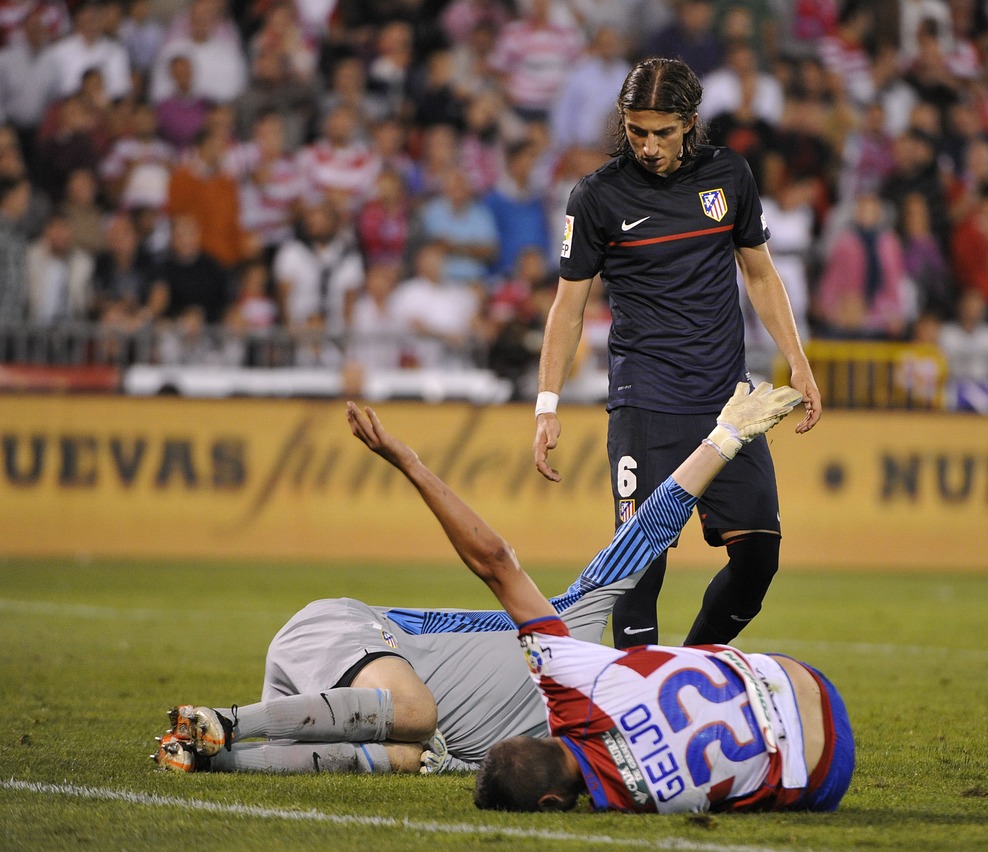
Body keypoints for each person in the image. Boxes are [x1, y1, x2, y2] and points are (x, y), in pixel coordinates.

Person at [151, 383, 832, 785]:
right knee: (416, 718)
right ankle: (225, 719)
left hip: (347, 702)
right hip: (350, 633)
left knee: (408, 754)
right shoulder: (571, 628)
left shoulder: (586, 745)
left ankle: (208, 753)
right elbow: (647, 527)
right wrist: (724, 439)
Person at [533, 57, 821, 652]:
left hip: (727, 405)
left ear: (690, 122)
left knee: (758, 562)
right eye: (637, 131)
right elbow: (567, 307)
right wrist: (546, 403)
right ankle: (633, 706)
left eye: (663, 132)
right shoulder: (595, 197)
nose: (649, 145)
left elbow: (761, 276)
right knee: (636, 570)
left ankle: (687, 671)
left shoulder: (729, 176)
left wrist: (799, 362)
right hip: (645, 402)